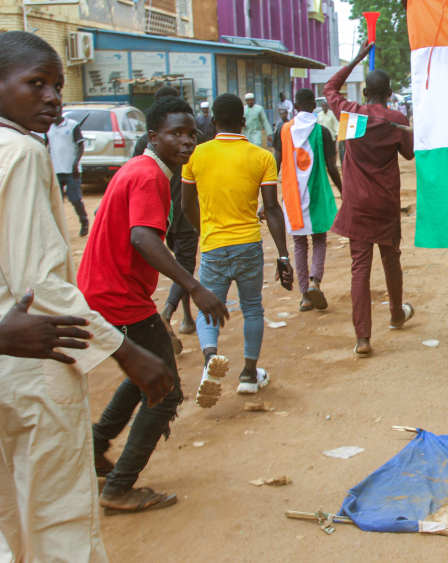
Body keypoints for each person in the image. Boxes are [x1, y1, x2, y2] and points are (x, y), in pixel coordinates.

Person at [0, 30, 172, 562]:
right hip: (35, 357)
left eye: (55, 85)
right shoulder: (22, 153)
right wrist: (125, 351)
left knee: (9, 512)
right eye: (36, 84)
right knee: (57, 514)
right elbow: (42, 282)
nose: (52, 97)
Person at [79, 96, 229, 515]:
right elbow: (143, 239)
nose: (186, 142)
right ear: (153, 137)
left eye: (190, 134)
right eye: (175, 134)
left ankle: (95, 444)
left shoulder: (141, 169)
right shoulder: (148, 176)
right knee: (165, 390)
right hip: (118, 296)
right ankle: (119, 487)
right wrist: (194, 287)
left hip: (105, 289)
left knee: (146, 369)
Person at [182, 93, 293, 405]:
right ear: (244, 122)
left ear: (213, 121)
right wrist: (283, 255)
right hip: (247, 244)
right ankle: (248, 374)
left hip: (214, 245)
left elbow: (185, 203)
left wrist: (203, 229)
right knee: (252, 308)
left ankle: (209, 361)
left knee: (209, 308)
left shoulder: (196, 156)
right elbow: (271, 209)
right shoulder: (261, 157)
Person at [323, 43, 414, 358]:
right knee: (392, 259)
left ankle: (363, 339)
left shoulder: (350, 115)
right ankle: (397, 314)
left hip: (357, 204)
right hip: (386, 202)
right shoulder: (395, 119)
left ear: (365, 94)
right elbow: (409, 153)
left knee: (359, 268)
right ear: (389, 93)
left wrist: (357, 58)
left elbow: (329, 87)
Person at [133, 86, 198, 353]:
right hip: (179, 213)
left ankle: (186, 316)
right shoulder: (189, 141)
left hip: (159, 214)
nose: (186, 140)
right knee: (183, 263)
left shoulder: (142, 144)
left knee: (177, 263)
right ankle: (169, 313)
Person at [274, 88, 342, 312]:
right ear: (313, 104)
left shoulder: (282, 131)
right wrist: (344, 190)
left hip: (293, 196)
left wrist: (268, 197)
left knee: (299, 243)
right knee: (319, 239)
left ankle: (304, 295)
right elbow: (332, 167)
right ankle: (315, 281)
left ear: (295, 105)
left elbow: (276, 163)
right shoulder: (322, 132)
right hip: (317, 194)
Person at [46, 111, 88, 236]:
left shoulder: (72, 125)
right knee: (55, 201)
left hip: (71, 171)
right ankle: (56, 228)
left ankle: (84, 221)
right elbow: (46, 146)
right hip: (55, 170)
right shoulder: (48, 128)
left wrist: (75, 164)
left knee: (74, 199)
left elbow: (81, 146)